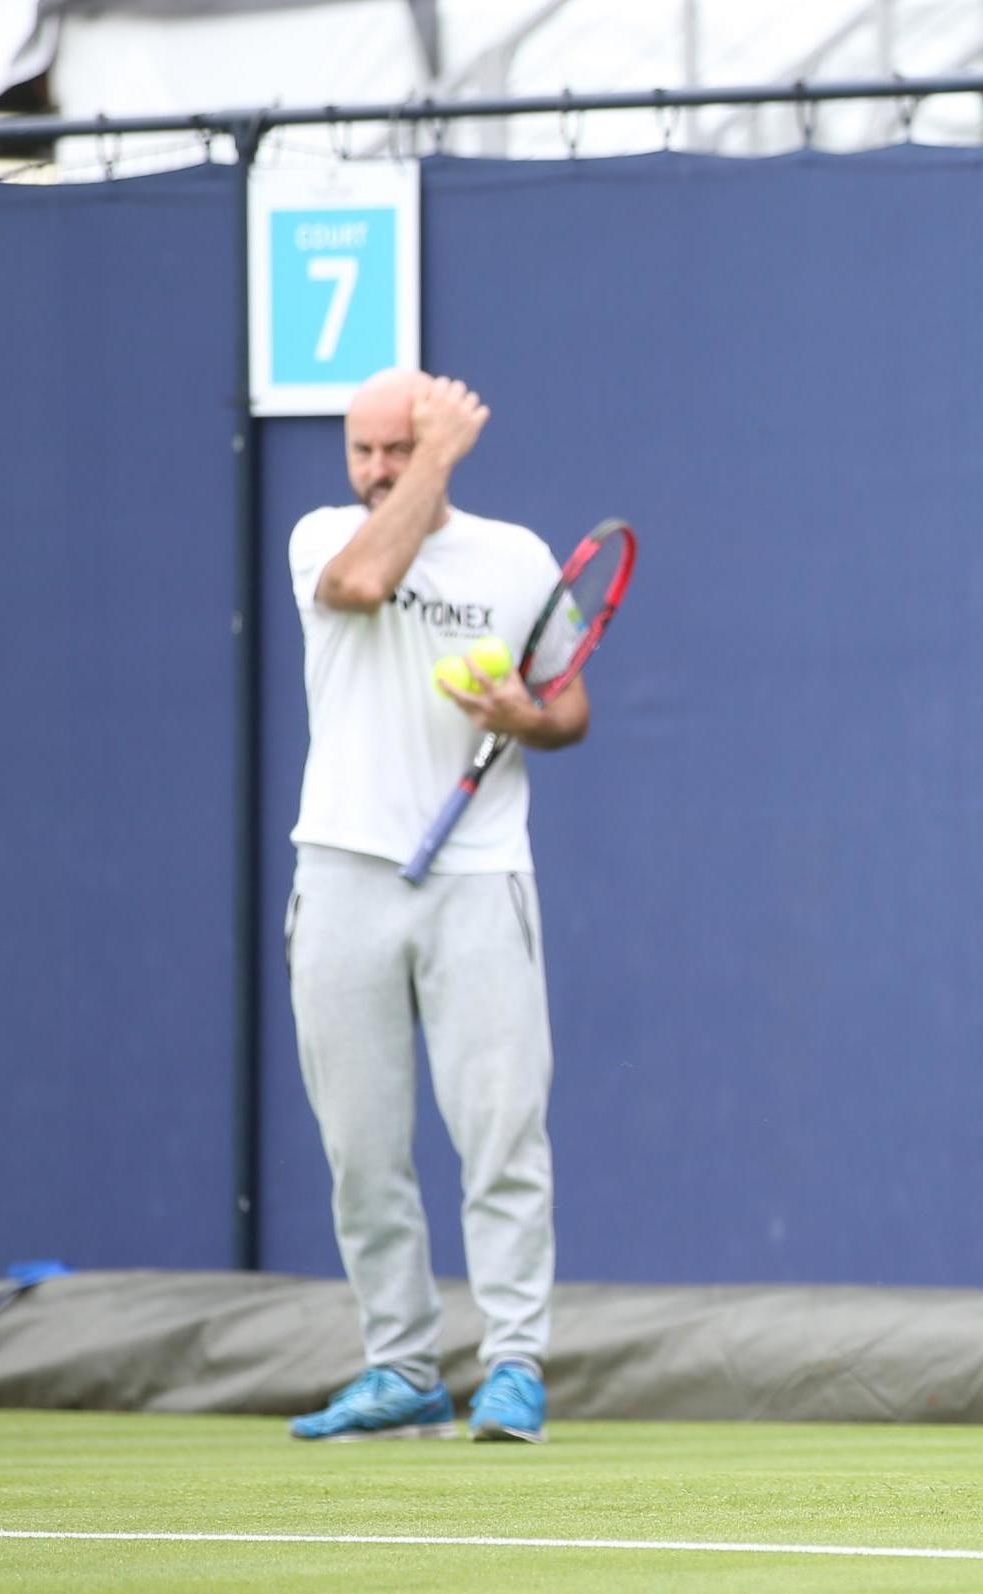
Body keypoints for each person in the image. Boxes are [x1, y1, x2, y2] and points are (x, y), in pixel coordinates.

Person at [284, 368, 590, 1443]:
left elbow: (570, 704)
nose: (374, 471)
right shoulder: (325, 536)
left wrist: (526, 712)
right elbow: (365, 584)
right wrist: (435, 464)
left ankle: (513, 1367)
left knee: (503, 1137)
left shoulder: (517, 557)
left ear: (438, 448)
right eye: (363, 450)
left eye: (395, 451)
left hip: (479, 876)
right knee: (362, 1148)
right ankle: (401, 1370)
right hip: (342, 873)